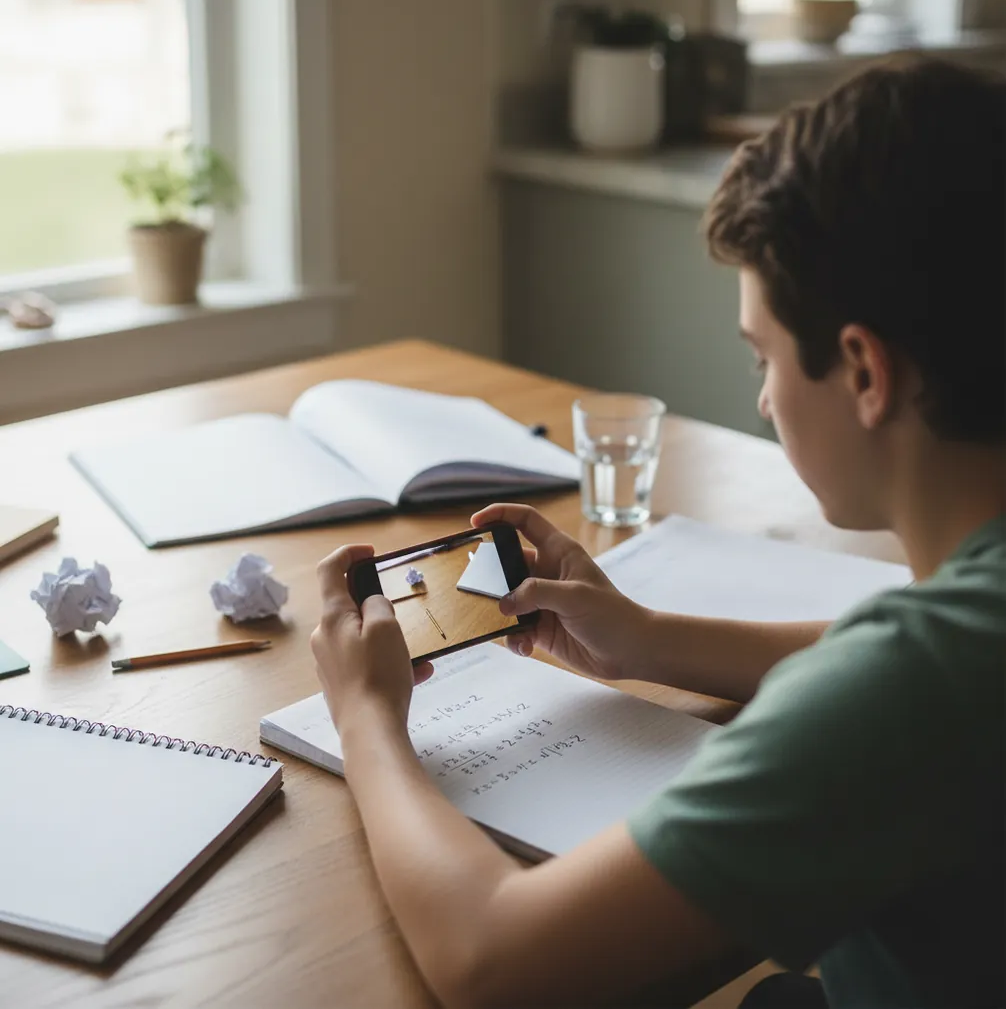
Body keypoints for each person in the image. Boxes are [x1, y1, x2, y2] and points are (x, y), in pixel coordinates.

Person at [310, 56, 1005, 1009]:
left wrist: (364, 724)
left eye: (762, 356)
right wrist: (648, 641)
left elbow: (494, 964)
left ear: (864, 372)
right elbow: (920, 654)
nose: (762, 401)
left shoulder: (913, 690)